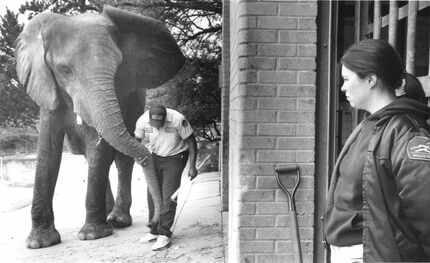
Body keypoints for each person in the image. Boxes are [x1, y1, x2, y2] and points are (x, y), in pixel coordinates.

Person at [323, 39, 430, 262]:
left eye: (346, 79)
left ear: (371, 79)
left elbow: (425, 208)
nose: (342, 87)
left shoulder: (406, 132)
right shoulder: (370, 124)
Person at [134, 105, 198, 251]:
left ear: (165, 118)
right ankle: (154, 229)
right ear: (149, 119)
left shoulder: (178, 119)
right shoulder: (142, 121)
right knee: (152, 192)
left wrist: (192, 166)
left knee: (169, 195)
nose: (156, 127)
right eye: (153, 124)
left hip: (176, 157)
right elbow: (136, 142)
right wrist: (139, 157)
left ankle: (164, 234)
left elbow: (191, 142)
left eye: (160, 124)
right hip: (155, 156)